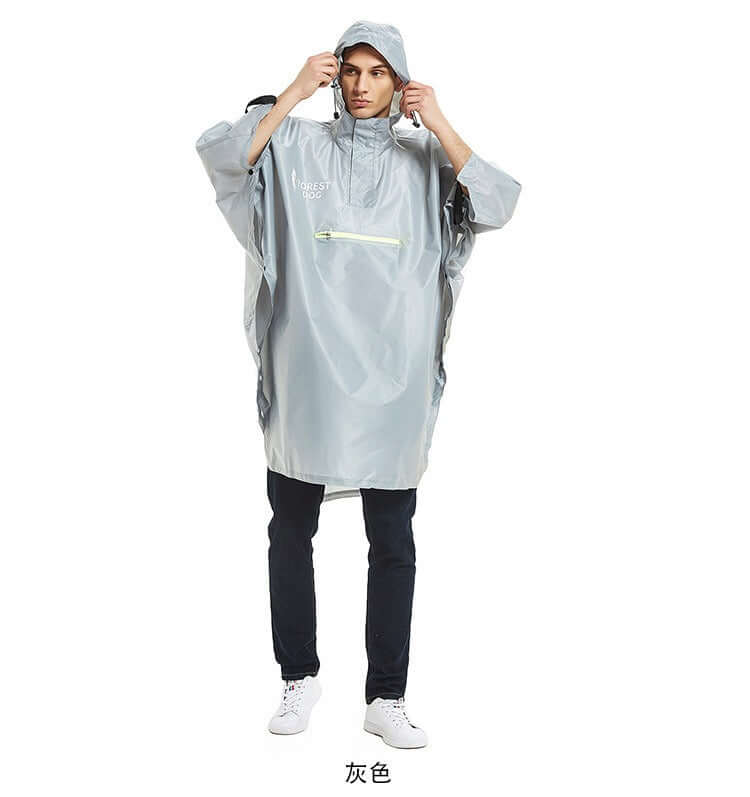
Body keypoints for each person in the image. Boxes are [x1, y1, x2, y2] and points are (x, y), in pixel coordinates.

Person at [195, 21, 521, 749]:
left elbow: (498, 202)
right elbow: (224, 158)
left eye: (379, 73)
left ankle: (386, 696)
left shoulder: (426, 160)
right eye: (351, 70)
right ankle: (298, 676)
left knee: (393, 540)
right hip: (308, 372)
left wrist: (439, 121)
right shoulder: (295, 146)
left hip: (393, 380)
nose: (363, 85)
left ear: (399, 81)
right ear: (335, 76)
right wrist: (289, 94)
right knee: (290, 529)